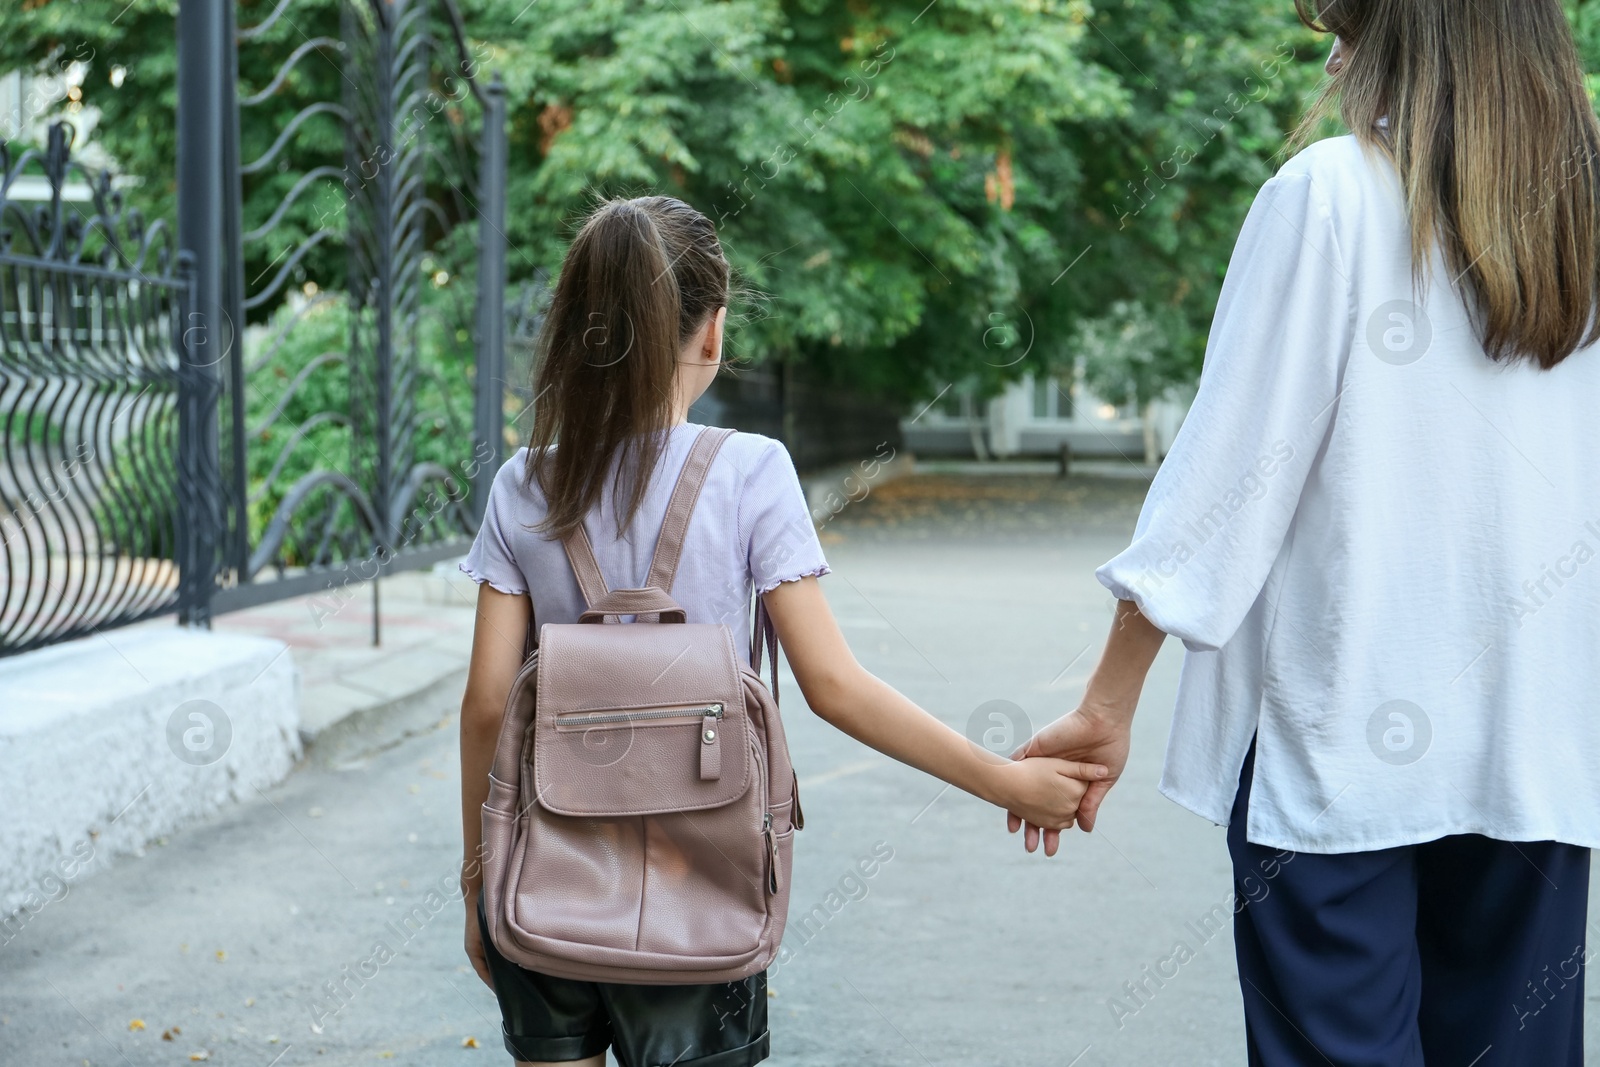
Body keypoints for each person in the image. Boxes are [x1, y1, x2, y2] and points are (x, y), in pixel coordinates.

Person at [1014, 1, 1600, 1063]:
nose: (1328, 49)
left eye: (1343, 20)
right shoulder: (1580, 218)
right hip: (1537, 749)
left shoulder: (1327, 194)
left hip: (1336, 746)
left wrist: (1107, 701)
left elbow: (1227, 479)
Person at [455, 195, 1105, 1067]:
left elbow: (489, 704)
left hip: (543, 880)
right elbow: (833, 686)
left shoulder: (523, 483)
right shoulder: (751, 472)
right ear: (712, 334)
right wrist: (1003, 781)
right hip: (704, 884)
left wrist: (478, 883)